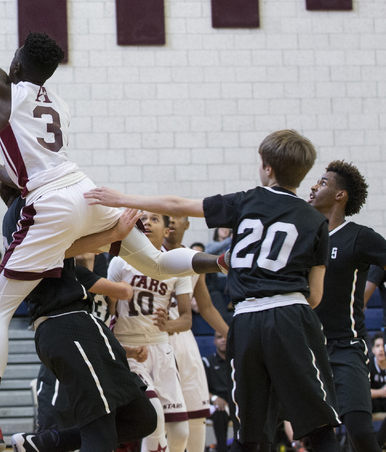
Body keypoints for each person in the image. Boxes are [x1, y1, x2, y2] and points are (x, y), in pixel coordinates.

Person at [0, 0, 226, 452]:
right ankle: (221, 259)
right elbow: (41, 167)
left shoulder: (7, 92)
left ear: (15, 63)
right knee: (159, 262)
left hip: (52, 203)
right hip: (85, 188)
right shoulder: (59, 103)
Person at [85, 129, 342, 452]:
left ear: (267, 168)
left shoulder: (246, 200)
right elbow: (315, 296)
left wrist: (120, 199)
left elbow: (177, 204)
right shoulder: (315, 220)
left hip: (246, 320)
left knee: (251, 431)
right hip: (290, 313)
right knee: (319, 427)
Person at [11, 216, 158, 452]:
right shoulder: (78, 273)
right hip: (70, 344)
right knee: (77, 427)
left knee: (140, 420)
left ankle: (45, 443)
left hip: (93, 343)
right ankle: (45, 440)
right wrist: (119, 239)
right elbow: (124, 291)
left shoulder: (82, 282)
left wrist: (126, 350)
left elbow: (111, 316)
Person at [309, 160, 386, 452]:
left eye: (323, 182)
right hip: (308, 347)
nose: (315, 186)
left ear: (341, 195)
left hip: (346, 346)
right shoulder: (305, 236)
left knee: (360, 431)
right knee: (319, 437)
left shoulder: (359, 236)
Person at [108, 210, 192, 452]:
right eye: (143, 219)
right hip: (131, 348)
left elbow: (186, 319)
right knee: (154, 420)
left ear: (167, 231)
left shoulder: (177, 264)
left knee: (180, 432)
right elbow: (108, 311)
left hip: (161, 347)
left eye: (154, 219)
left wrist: (168, 324)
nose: (147, 222)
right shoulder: (120, 261)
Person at [161, 215, 231, 452]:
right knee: (163, 421)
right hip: (157, 337)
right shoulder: (148, 254)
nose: (170, 221)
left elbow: (207, 307)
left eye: (176, 216)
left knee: (196, 415)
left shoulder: (193, 260)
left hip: (183, 338)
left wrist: (230, 334)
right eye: (165, 217)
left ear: (187, 224)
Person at [203, 332, 237, 452]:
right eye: (219, 337)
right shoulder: (207, 361)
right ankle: (221, 449)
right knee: (220, 411)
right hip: (215, 403)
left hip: (235, 402)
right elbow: (200, 389)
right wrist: (213, 398)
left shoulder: (238, 362)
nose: (223, 340)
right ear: (214, 341)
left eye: (226, 337)